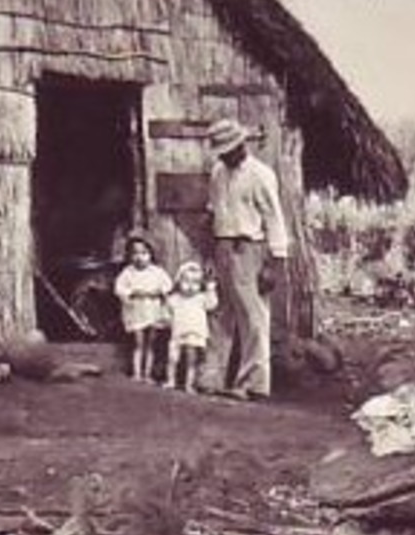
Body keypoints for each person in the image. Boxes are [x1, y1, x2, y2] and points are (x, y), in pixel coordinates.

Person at [201, 118, 290, 400]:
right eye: (221, 152)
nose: (226, 155)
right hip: (223, 246)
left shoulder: (260, 174)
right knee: (219, 312)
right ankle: (212, 377)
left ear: (241, 145)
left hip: (249, 247)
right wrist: (210, 248)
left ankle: (253, 384)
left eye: (229, 149)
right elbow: (214, 210)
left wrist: (274, 263)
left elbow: (274, 219)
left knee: (253, 317)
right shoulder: (218, 172)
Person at [113, 232, 173, 382]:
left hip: (152, 308)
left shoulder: (157, 272)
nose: (139, 257)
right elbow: (119, 288)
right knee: (138, 342)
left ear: (151, 254)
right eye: (135, 253)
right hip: (137, 308)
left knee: (151, 343)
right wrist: (130, 294)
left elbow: (167, 286)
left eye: (144, 253)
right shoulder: (128, 272)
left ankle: (148, 373)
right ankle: (137, 372)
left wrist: (162, 296)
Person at [163, 261, 219, 393]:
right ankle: (171, 380)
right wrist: (167, 320)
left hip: (194, 333)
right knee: (172, 358)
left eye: (195, 282)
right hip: (177, 333)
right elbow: (166, 311)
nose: (190, 286)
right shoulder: (175, 298)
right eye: (186, 281)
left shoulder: (201, 298)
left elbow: (212, 304)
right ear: (178, 281)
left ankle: (189, 384)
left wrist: (211, 288)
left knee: (191, 360)